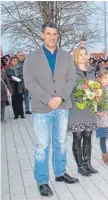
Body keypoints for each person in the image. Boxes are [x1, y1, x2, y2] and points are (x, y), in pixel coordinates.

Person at [23, 22, 78, 197]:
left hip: (62, 107)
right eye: (48, 34)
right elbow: (29, 83)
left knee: (60, 142)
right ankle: (42, 180)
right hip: (41, 108)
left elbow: (71, 80)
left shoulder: (66, 56)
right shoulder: (31, 58)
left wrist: (60, 98)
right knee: (42, 145)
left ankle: (60, 173)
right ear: (42, 35)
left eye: (55, 34)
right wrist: (49, 100)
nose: (52, 37)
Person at [68, 47, 98, 177]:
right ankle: (80, 166)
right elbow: (68, 88)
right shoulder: (71, 70)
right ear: (76, 56)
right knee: (78, 136)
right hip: (76, 108)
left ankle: (87, 163)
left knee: (87, 136)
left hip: (89, 108)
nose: (83, 56)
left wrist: (96, 94)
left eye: (85, 54)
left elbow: (96, 86)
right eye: (80, 54)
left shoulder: (92, 70)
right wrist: (80, 95)